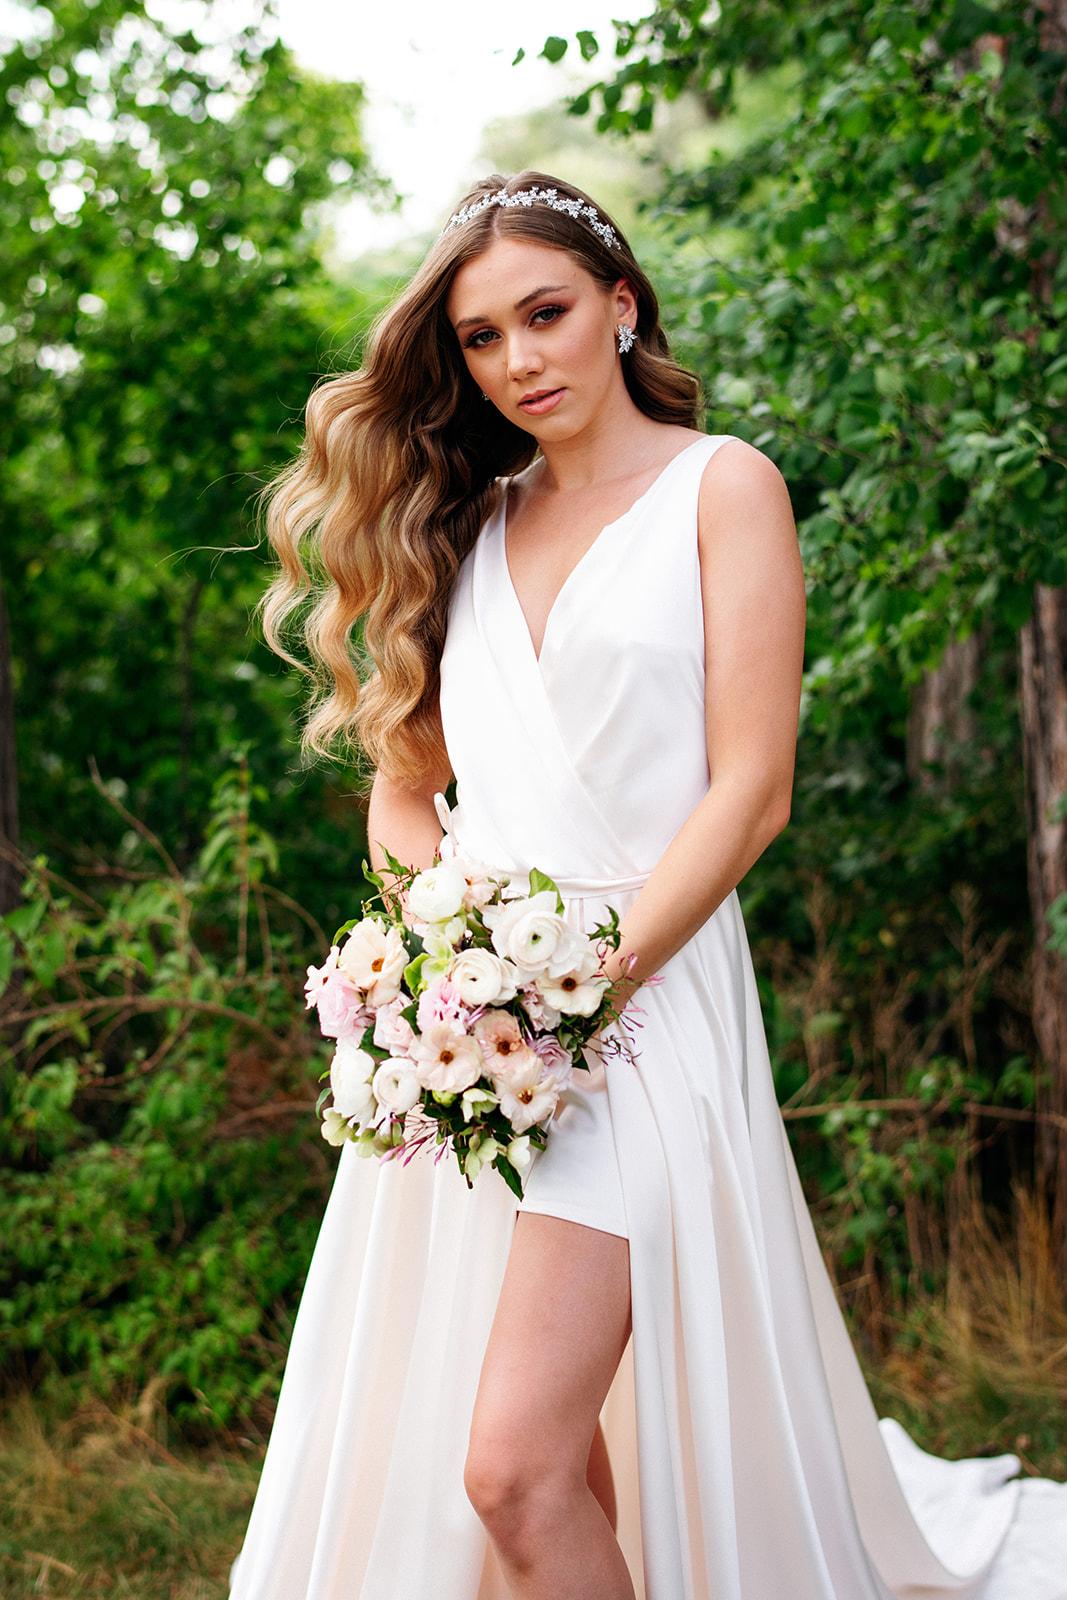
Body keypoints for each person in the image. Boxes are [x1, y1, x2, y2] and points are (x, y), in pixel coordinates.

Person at [228, 171, 1067, 1599]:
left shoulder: (722, 487)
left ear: (620, 304)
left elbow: (753, 791)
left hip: (643, 1007)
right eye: (482, 339)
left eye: (545, 313)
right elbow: (403, 788)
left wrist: (580, 985)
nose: (519, 359)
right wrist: (444, 970)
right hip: (482, 1039)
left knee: (509, 1468)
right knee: (545, 1462)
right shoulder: (469, 524)